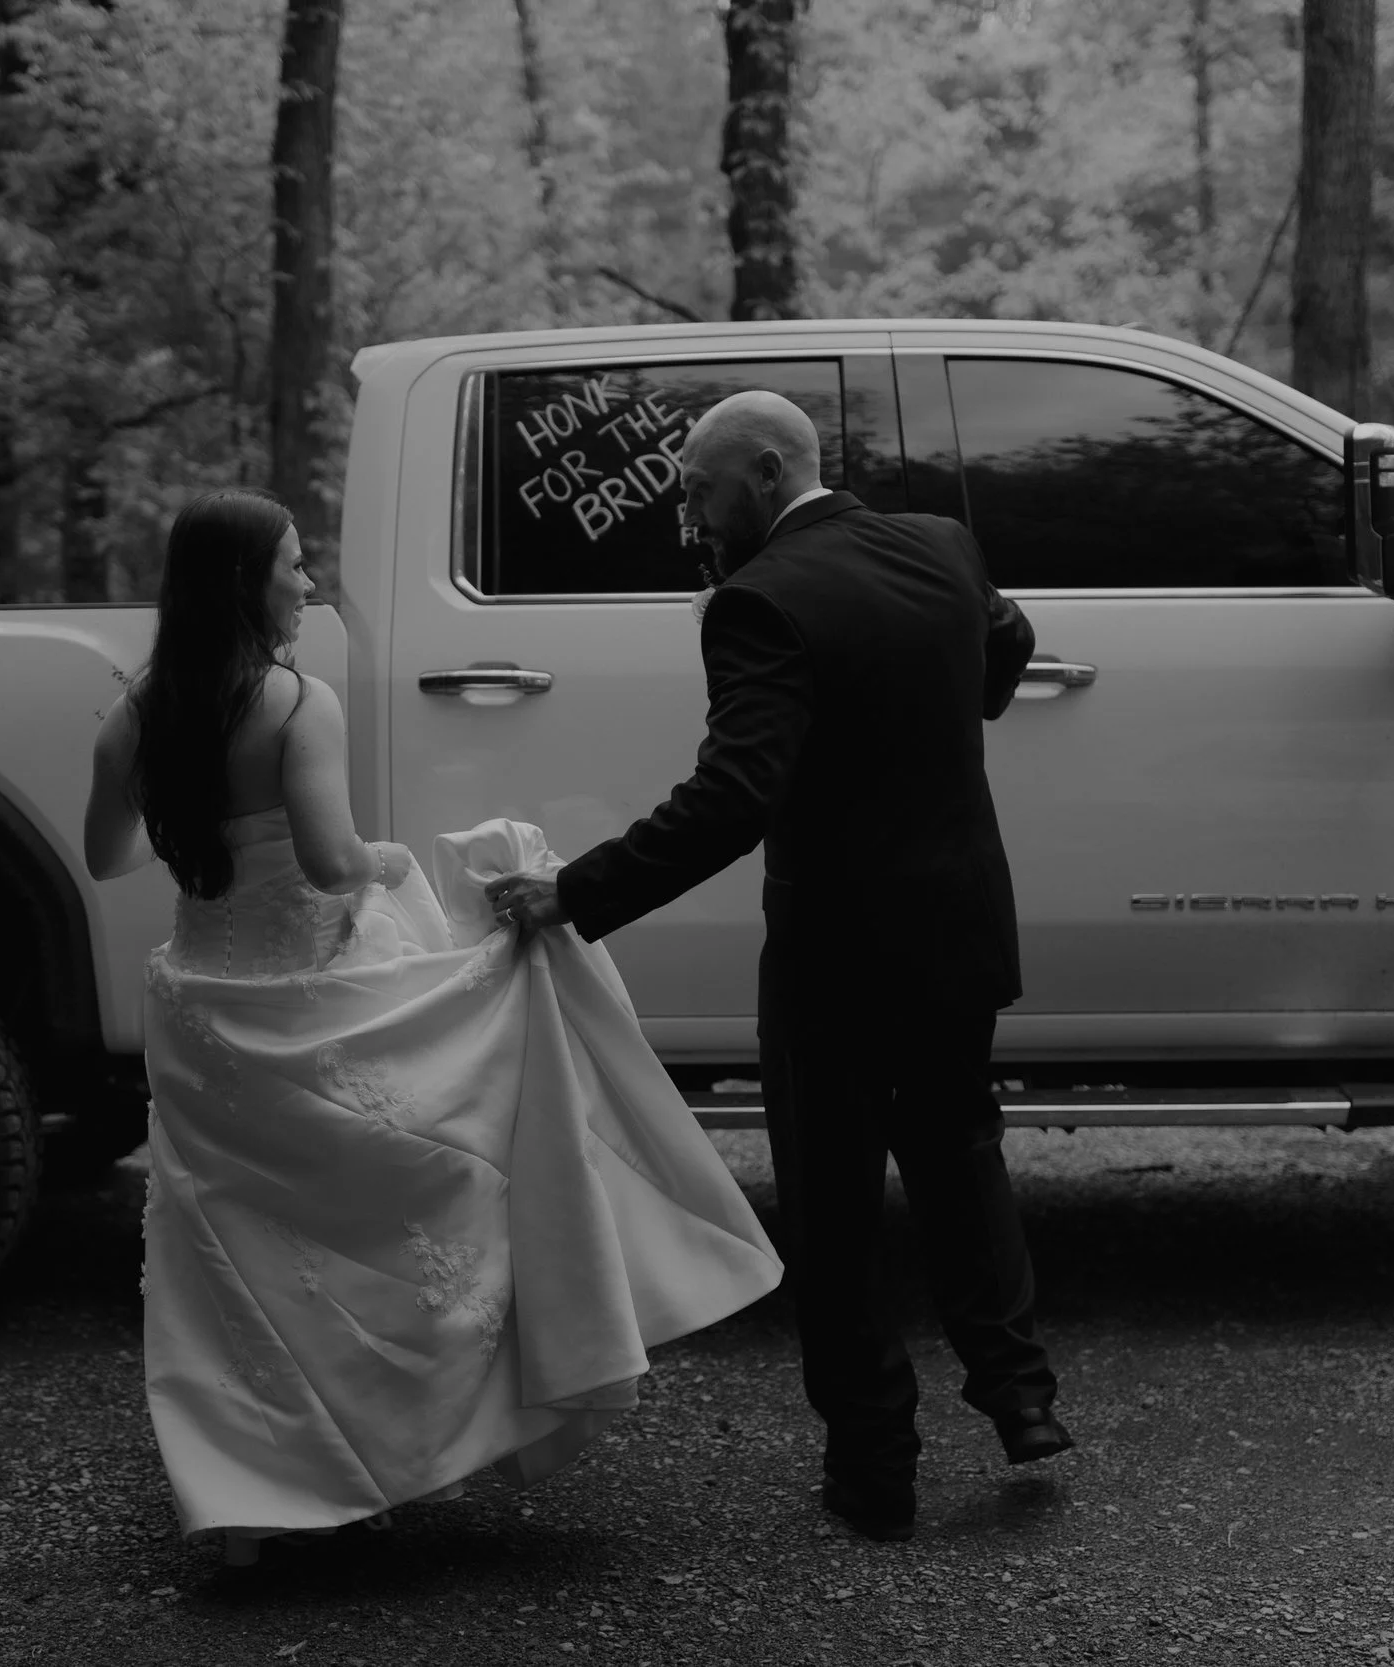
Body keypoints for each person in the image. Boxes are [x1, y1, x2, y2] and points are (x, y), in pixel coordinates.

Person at [84, 487, 782, 1566]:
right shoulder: (289, 699)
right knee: (442, 1171)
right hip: (310, 987)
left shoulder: (132, 712)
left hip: (207, 1003)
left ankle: (251, 1484)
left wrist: (203, 832)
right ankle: (397, 1438)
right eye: (294, 562)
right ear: (245, 581)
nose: (308, 580)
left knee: (233, 1247)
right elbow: (329, 861)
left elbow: (106, 853)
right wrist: (391, 862)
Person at [486, 391, 1071, 1544]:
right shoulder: (940, 546)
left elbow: (731, 799)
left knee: (836, 1200)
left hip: (837, 951)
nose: (690, 517)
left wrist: (575, 893)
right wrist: (954, 705)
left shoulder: (758, 601)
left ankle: (874, 1468)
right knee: (960, 1151)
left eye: (700, 491)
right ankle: (1022, 1398)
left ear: (762, 472)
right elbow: (1006, 643)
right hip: (958, 923)